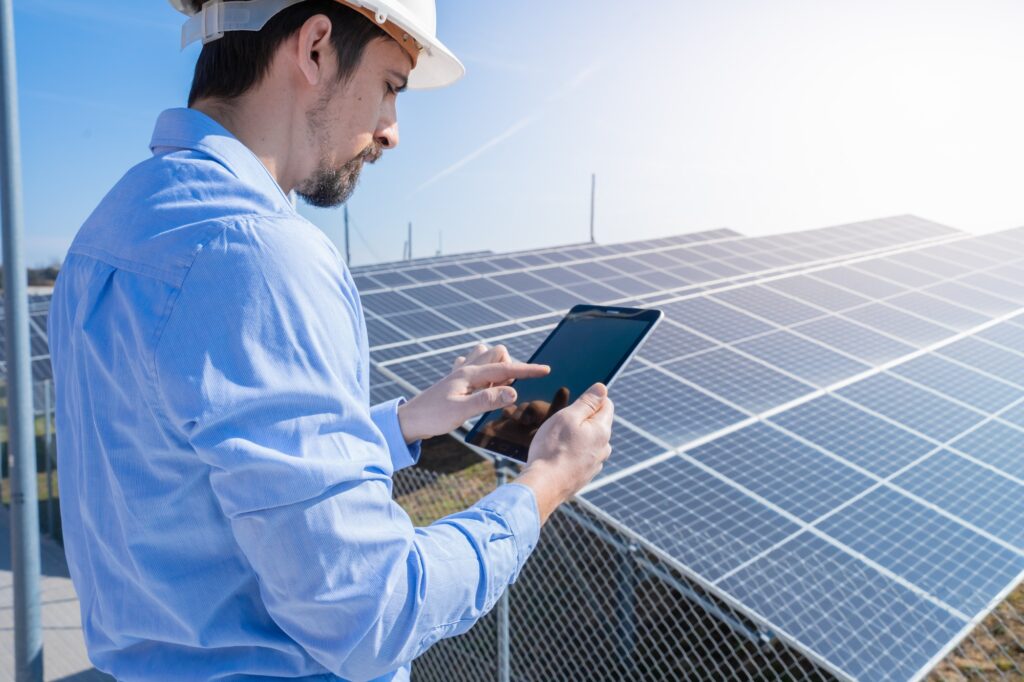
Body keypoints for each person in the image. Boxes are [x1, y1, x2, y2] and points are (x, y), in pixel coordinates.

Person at [47, 1, 614, 680]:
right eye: (391, 87)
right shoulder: (260, 255)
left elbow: (194, 478)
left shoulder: (108, 233)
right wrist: (545, 484)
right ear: (316, 47)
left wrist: (405, 422)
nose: (392, 132)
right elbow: (370, 614)